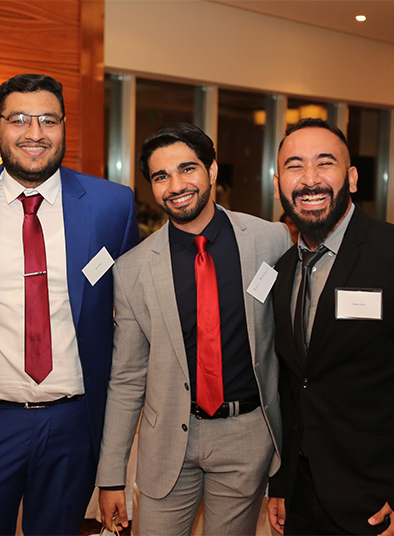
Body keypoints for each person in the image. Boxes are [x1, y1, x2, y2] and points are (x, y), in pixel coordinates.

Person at [0, 73, 140, 535]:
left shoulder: (112, 205)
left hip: (73, 421)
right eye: (19, 119)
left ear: (65, 126)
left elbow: (130, 321)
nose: (34, 133)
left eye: (48, 120)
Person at [267, 118, 394, 535]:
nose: (310, 179)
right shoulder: (284, 269)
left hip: (383, 504)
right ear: (278, 184)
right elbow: (296, 388)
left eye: (324, 163)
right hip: (305, 500)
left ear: (353, 177)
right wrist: (283, 482)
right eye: (295, 166)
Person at [96, 123, 290, 534]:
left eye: (188, 169)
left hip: (247, 435)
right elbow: (127, 378)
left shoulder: (270, 241)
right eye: (161, 176)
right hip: (167, 438)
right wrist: (111, 474)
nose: (176, 185)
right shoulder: (133, 269)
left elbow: (289, 348)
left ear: (212, 170)